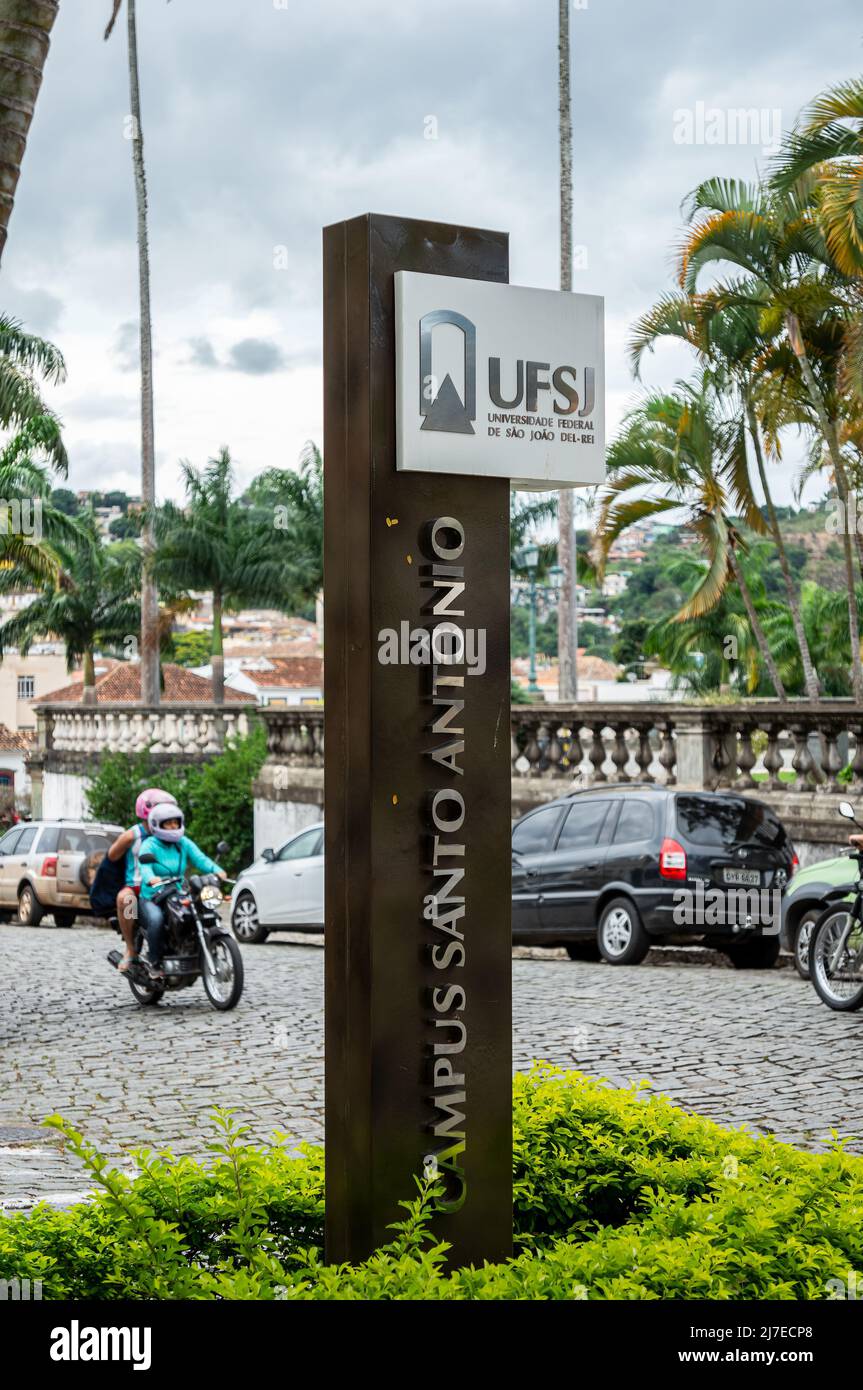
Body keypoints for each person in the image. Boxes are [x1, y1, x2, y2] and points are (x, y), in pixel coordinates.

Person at [138, 801, 225, 980]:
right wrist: (152, 878)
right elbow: (144, 866)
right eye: (168, 823)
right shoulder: (150, 845)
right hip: (153, 896)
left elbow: (200, 859)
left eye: (175, 822)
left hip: (177, 892)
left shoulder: (183, 843)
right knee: (156, 919)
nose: (173, 826)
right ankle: (154, 962)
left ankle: (193, 948)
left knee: (199, 911)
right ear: (157, 825)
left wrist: (217, 870)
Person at [104, 788, 173, 974]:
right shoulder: (132, 835)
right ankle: (131, 949)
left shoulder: (170, 833)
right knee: (125, 900)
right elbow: (112, 855)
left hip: (164, 885)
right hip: (136, 886)